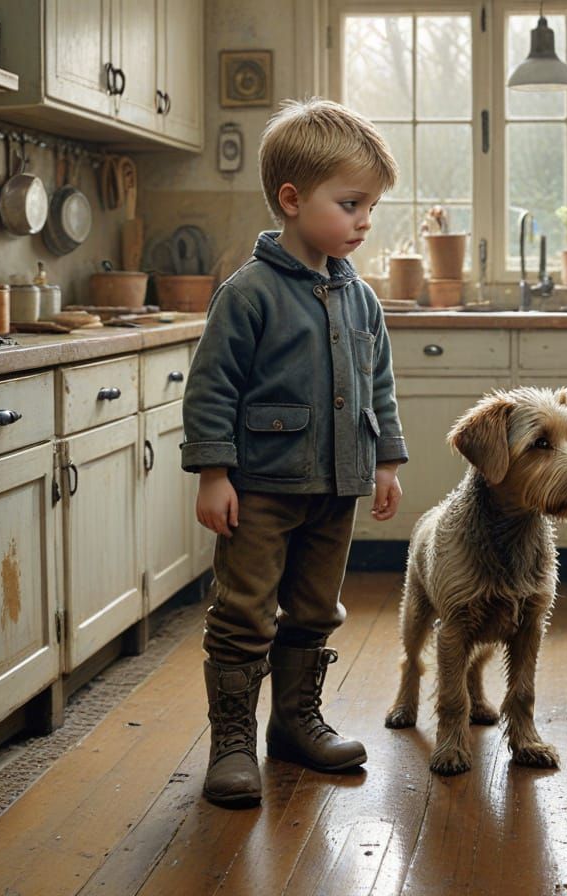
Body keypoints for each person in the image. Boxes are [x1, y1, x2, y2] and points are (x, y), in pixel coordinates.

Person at [180, 98, 407, 808]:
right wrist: (214, 474)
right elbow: (211, 387)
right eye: (350, 205)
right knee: (244, 611)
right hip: (261, 489)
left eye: (369, 207)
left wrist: (386, 461)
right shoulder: (247, 295)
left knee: (314, 610)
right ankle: (232, 744)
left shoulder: (361, 298)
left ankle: (296, 724)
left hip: (335, 486)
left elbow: (380, 385)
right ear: (291, 198)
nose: (364, 221)